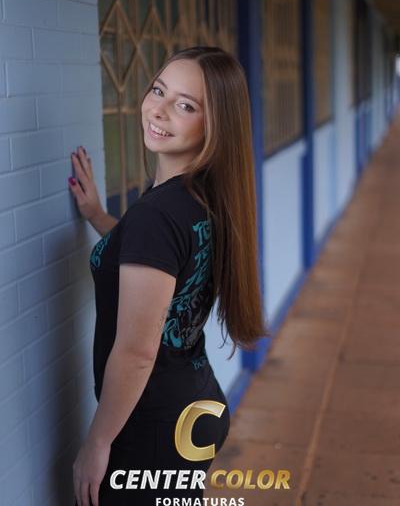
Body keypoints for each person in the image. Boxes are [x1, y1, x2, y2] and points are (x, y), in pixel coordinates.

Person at [68, 46, 270, 506]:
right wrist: (97, 214)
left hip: (151, 429)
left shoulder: (157, 215)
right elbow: (155, 262)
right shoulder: (204, 195)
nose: (158, 110)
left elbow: (137, 352)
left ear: (214, 125)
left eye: (185, 105)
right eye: (158, 91)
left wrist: (97, 442)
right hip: (197, 403)